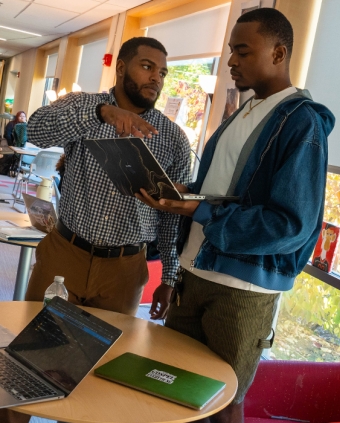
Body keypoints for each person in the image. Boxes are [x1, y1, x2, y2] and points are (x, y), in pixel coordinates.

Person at [136, 8, 335, 423]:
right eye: (230, 51)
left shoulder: (301, 124)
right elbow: (224, 193)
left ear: (278, 53)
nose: (230, 61)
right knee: (168, 388)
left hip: (241, 292)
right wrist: (179, 193)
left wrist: (202, 209)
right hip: (195, 274)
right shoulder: (242, 114)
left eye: (242, 51)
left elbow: (290, 226)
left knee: (221, 404)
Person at [0, 36, 191, 423]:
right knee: (29, 363)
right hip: (64, 254)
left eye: (163, 72)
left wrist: (169, 276)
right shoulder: (84, 107)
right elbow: (37, 129)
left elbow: (173, 215)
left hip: (123, 270)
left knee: (100, 375)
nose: (157, 78)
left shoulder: (173, 139)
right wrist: (101, 112)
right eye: (147, 67)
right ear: (121, 67)